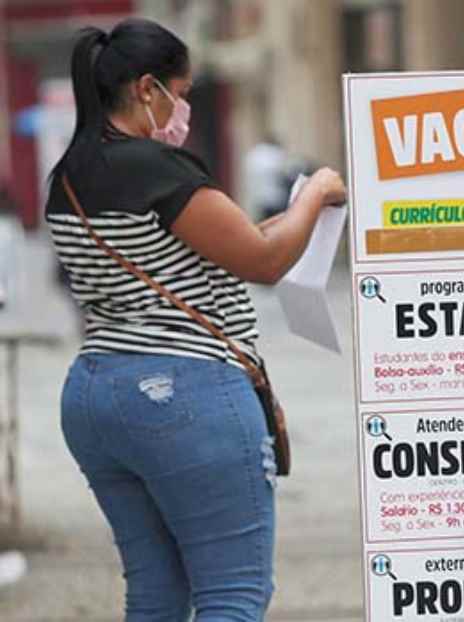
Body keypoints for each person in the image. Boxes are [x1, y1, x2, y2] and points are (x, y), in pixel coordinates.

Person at [44, 19, 345, 621]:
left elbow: (220, 246)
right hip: (183, 393)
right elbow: (263, 262)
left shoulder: (68, 177)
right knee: (233, 593)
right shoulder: (159, 168)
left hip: (94, 395)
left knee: (156, 596)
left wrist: (285, 220)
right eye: (179, 94)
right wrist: (315, 193)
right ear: (146, 89)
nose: (183, 109)